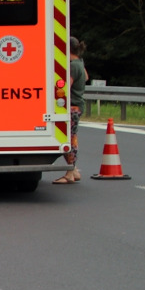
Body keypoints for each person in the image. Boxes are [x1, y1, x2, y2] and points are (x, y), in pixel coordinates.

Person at [53, 37, 88, 184]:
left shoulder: (73, 65)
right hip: (78, 104)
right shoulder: (80, 62)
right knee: (69, 137)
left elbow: (65, 86)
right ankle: (73, 170)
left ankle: (69, 173)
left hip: (72, 106)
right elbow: (86, 77)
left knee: (69, 139)